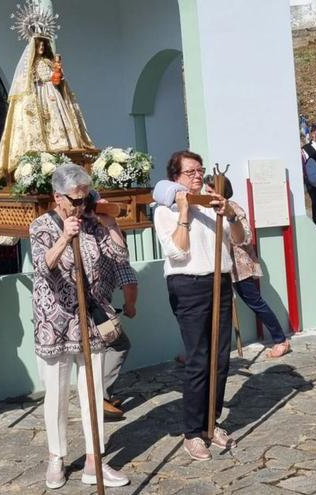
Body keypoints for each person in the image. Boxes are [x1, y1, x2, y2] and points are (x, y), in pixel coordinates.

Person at [29, 164, 129, 489]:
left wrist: (109, 221)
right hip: (55, 319)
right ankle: (56, 457)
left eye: (86, 199)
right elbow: (44, 267)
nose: (81, 206)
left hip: (89, 317)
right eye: (75, 200)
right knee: (56, 393)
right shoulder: (41, 226)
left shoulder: (91, 222)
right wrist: (65, 236)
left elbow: (118, 255)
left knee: (93, 389)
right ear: (57, 198)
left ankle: (93, 459)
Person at [153, 151, 248, 461]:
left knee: (221, 359)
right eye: (190, 171)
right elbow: (177, 253)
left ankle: (212, 421)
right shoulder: (165, 210)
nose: (197, 176)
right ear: (176, 177)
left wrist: (229, 214)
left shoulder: (212, 203)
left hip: (219, 283)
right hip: (188, 285)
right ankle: (193, 432)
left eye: (200, 170)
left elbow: (239, 239)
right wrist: (183, 213)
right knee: (199, 358)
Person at [203, 175, 291, 358]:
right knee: (210, 307)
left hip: (238, 267)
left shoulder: (232, 208)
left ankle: (280, 339)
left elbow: (247, 236)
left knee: (255, 303)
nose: (206, 194)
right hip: (216, 266)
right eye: (206, 190)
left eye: (210, 191)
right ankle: (203, 349)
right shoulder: (205, 210)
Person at [0, 34, 95, 179]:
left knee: (57, 119)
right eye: (38, 45)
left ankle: (64, 147)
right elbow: (25, 83)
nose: (41, 48)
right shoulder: (29, 65)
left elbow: (56, 80)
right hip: (38, 95)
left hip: (52, 95)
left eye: (43, 45)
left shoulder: (49, 62)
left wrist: (58, 74)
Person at [85, 192, 139, 421]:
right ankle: (100, 397)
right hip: (94, 307)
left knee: (105, 347)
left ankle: (101, 394)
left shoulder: (94, 234)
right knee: (118, 343)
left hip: (90, 305)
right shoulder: (105, 240)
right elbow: (129, 281)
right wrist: (130, 306)